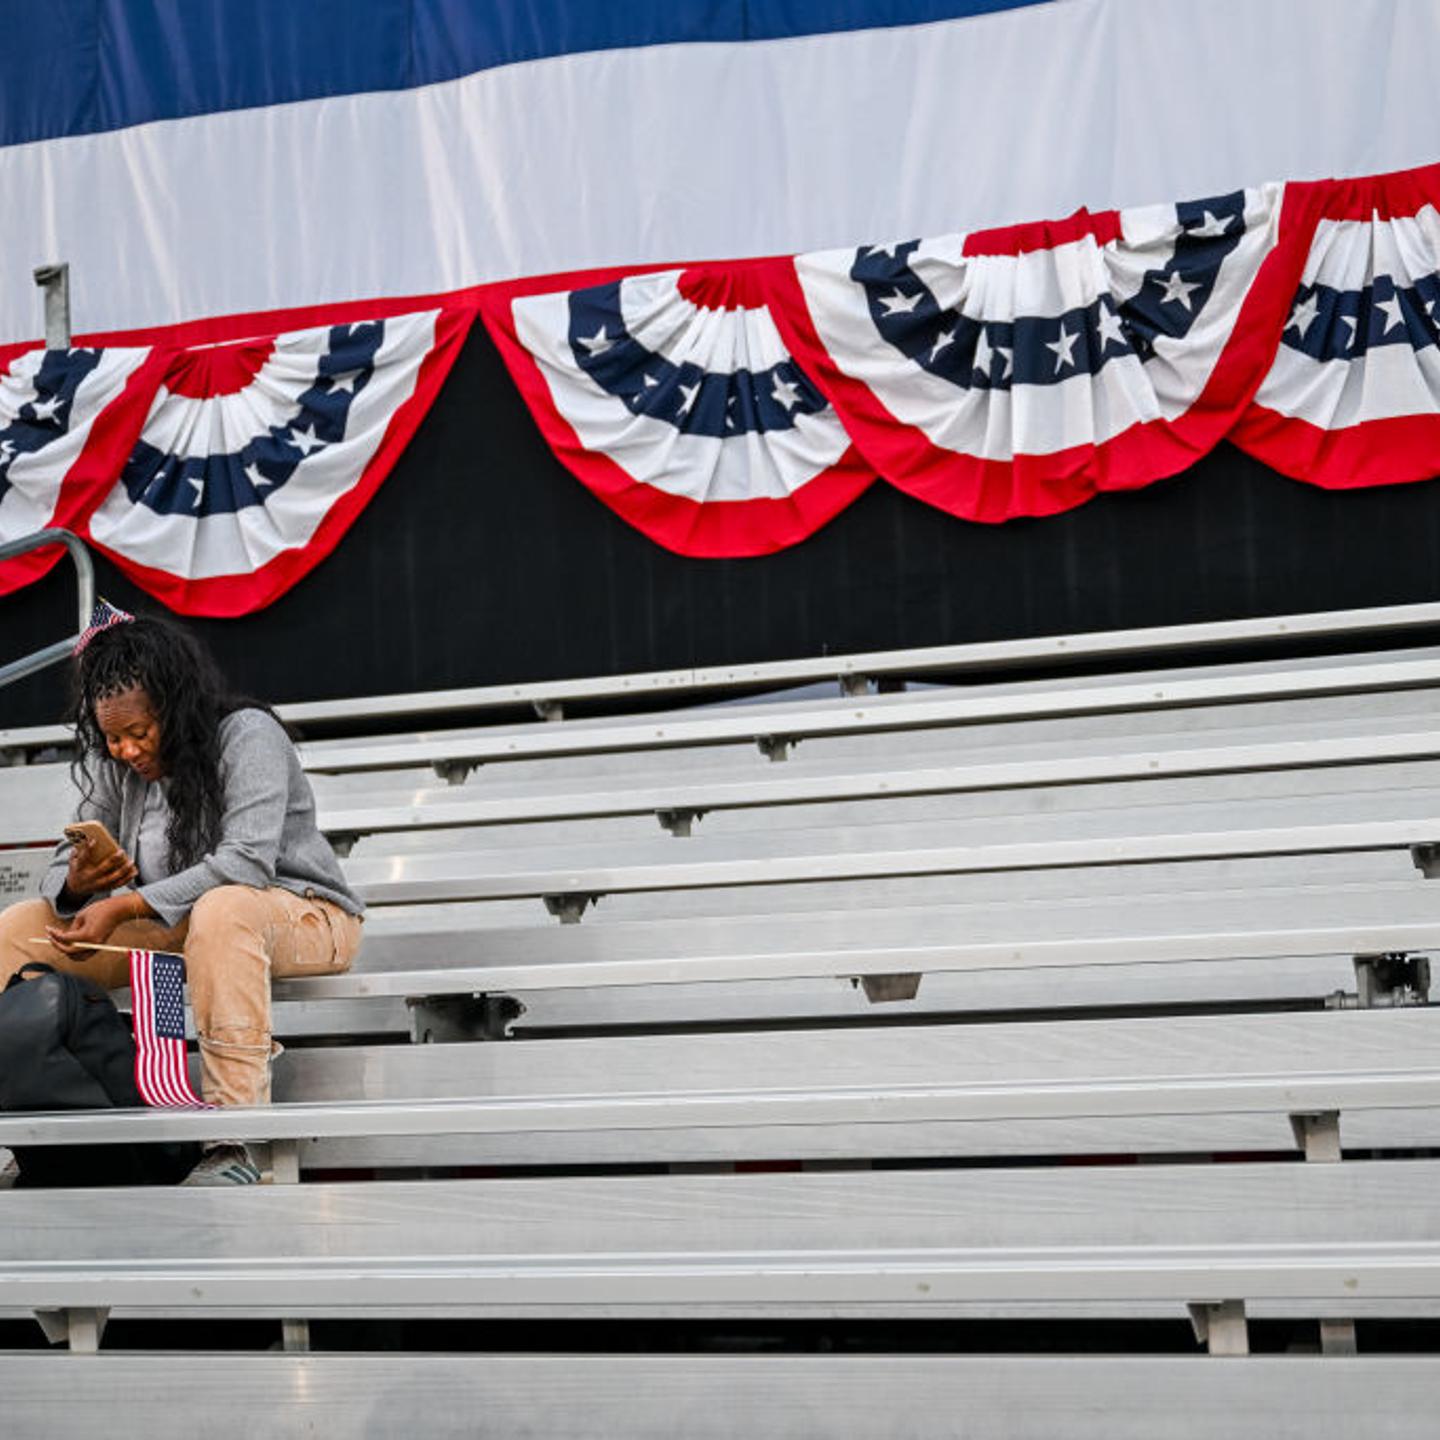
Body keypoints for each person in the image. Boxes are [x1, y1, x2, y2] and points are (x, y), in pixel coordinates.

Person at [0, 604, 363, 1186]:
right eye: (112, 738)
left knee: (225, 907)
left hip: (302, 913)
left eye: (138, 733)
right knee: (20, 925)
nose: (125, 751)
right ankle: (27, 1129)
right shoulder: (118, 763)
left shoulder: (247, 735)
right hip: (186, 924)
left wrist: (122, 904)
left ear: (174, 707)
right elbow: (60, 863)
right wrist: (77, 883)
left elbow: (245, 862)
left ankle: (235, 1139)